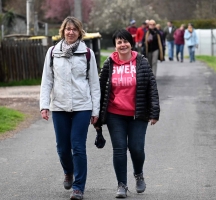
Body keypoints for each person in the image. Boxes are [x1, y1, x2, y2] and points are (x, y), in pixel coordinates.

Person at [40, 16, 100, 200]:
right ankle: (68, 171)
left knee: (78, 146)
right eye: (68, 29)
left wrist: (95, 110)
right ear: (63, 31)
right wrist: (44, 105)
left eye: (74, 29)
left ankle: (78, 187)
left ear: (79, 32)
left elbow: (94, 84)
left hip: (82, 105)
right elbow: (46, 81)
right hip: (59, 106)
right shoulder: (52, 52)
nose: (71, 32)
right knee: (62, 148)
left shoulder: (87, 53)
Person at [94, 29, 160, 198]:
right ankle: (121, 185)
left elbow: (151, 87)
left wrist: (154, 112)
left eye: (125, 41)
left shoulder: (142, 62)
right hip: (115, 113)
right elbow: (100, 89)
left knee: (136, 148)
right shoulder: (109, 63)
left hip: (138, 114)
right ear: (115, 46)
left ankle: (138, 174)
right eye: (119, 42)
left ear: (131, 43)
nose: (123, 45)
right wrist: (96, 114)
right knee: (119, 149)